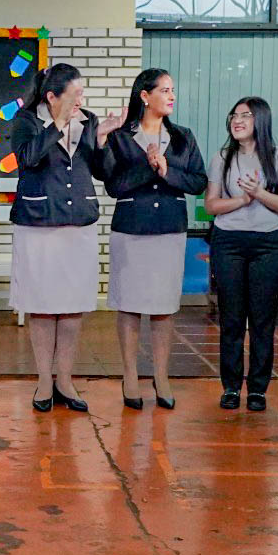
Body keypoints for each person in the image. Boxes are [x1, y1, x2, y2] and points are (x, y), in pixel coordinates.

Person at [10, 62, 119, 413]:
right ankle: (44, 380)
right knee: (42, 306)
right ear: (52, 96)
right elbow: (27, 159)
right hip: (39, 224)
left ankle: (65, 379)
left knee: (73, 306)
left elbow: (103, 172)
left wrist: (102, 140)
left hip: (79, 224)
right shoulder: (27, 120)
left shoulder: (87, 120)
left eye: (81, 94)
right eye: (73, 95)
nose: (80, 101)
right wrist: (58, 124)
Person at [105, 68, 208, 411]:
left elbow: (197, 182)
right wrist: (147, 166)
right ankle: (130, 375)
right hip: (131, 228)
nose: (171, 96)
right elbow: (113, 185)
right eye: (164, 90)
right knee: (130, 306)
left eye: (172, 89)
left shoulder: (183, 137)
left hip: (168, 228)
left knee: (164, 308)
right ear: (144, 96)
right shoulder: (121, 136)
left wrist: (166, 169)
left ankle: (161, 376)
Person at [204, 96, 278, 412]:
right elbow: (211, 205)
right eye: (234, 115)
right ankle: (230, 386)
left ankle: (257, 389)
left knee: (262, 319)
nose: (238, 120)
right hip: (228, 242)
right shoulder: (222, 157)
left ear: (261, 120)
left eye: (246, 115)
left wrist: (259, 194)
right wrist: (242, 201)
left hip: (270, 243)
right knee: (231, 318)